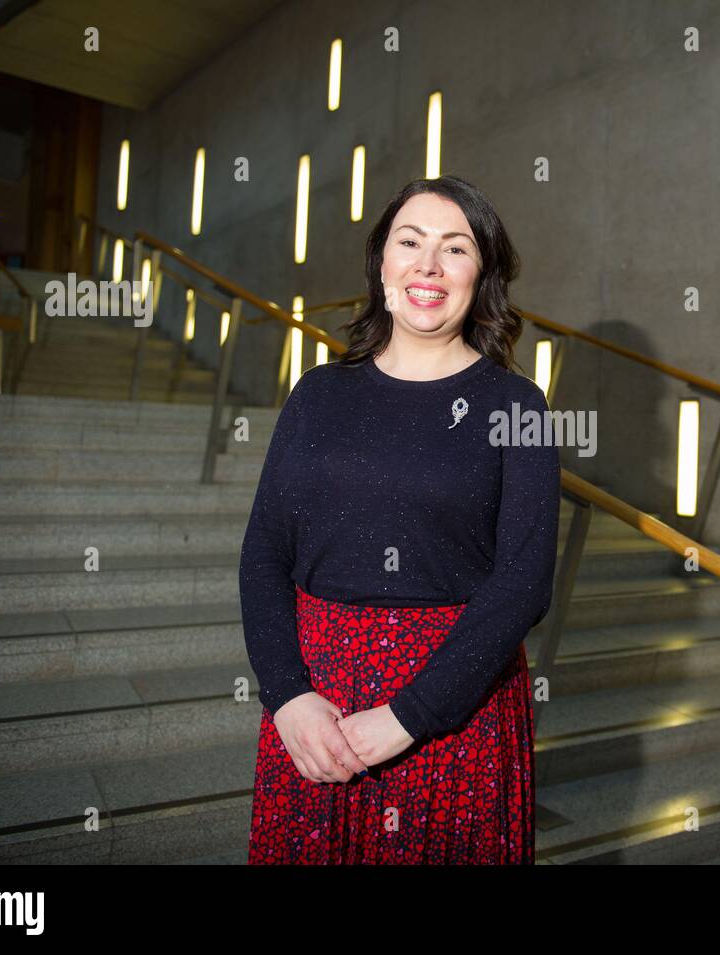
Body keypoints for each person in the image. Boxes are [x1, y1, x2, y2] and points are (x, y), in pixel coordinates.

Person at [241, 175, 560, 864]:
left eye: (456, 248)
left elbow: (525, 582)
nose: (429, 264)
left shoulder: (519, 404)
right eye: (410, 242)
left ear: (482, 275)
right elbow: (265, 550)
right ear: (381, 261)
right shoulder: (318, 394)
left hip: (456, 705)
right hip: (316, 698)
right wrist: (287, 694)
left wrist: (411, 714)